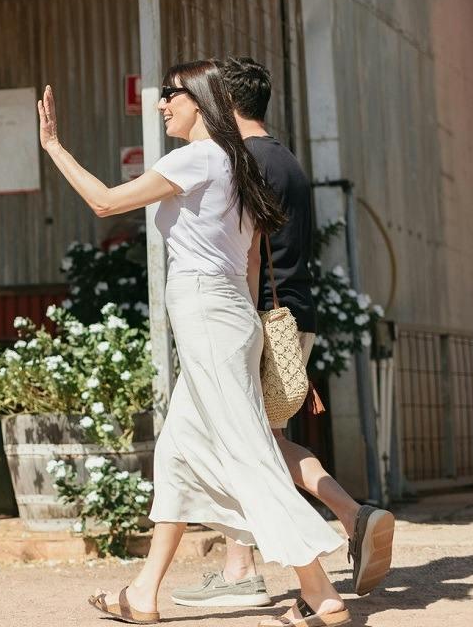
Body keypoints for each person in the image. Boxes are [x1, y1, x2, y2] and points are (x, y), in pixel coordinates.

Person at [39, 61, 350, 627]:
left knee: (248, 451)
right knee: (177, 454)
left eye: (171, 96)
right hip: (224, 316)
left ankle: (323, 593)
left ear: (201, 99)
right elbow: (251, 260)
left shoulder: (197, 157)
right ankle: (145, 593)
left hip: (209, 317)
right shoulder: (237, 163)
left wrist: (55, 147)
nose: (162, 106)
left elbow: (106, 202)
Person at [168, 57, 393, 611]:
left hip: (262, 315)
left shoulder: (239, 160)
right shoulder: (286, 158)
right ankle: (243, 563)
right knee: (252, 439)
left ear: (223, 101)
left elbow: (244, 252)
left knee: (251, 443)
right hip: (294, 313)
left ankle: (349, 516)